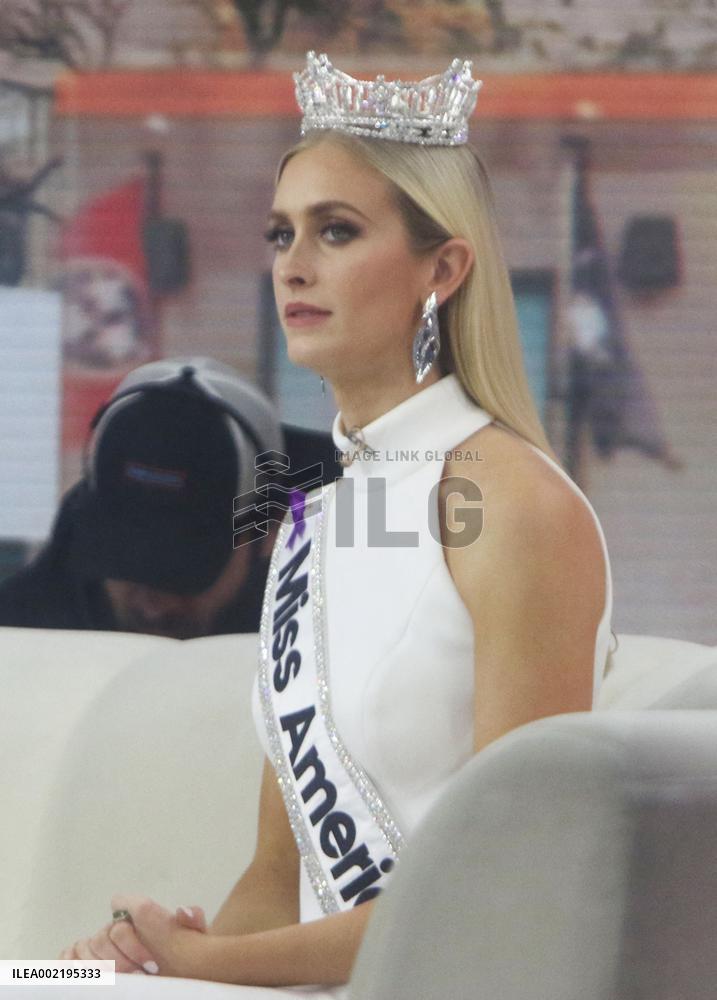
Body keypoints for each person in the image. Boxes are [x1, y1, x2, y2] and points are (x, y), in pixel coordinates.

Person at [56, 53, 612, 995]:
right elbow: (278, 885)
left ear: (442, 269)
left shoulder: (514, 505)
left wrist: (200, 964)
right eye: (281, 234)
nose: (294, 266)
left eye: (338, 231)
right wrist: (155, 971)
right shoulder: (314, 514)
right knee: (40, 982)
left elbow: (505, 886)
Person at [0, 355, 340, 639]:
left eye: (181, 570)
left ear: (268, 533)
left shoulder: (334, 629)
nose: (152, 606)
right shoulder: (22, 635)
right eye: (126, 561)